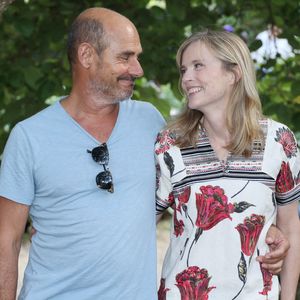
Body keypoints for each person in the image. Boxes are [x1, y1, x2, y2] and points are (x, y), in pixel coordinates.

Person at [0, 8, 290, 300]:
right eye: (125, 57)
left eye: (137, 57)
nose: (138, 69)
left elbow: (198, 191)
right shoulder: (30, 137)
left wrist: (268, 225)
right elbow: (6, 241)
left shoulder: (151, 124)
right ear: (87, 56)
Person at [155, 30, 300, 299]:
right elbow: (140, 224)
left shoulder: (279, 141)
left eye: (198, 65)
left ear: (233, 74)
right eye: (184, 69)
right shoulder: (169, 144)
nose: (186, 78)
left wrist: (288, 297)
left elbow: (291, 226)